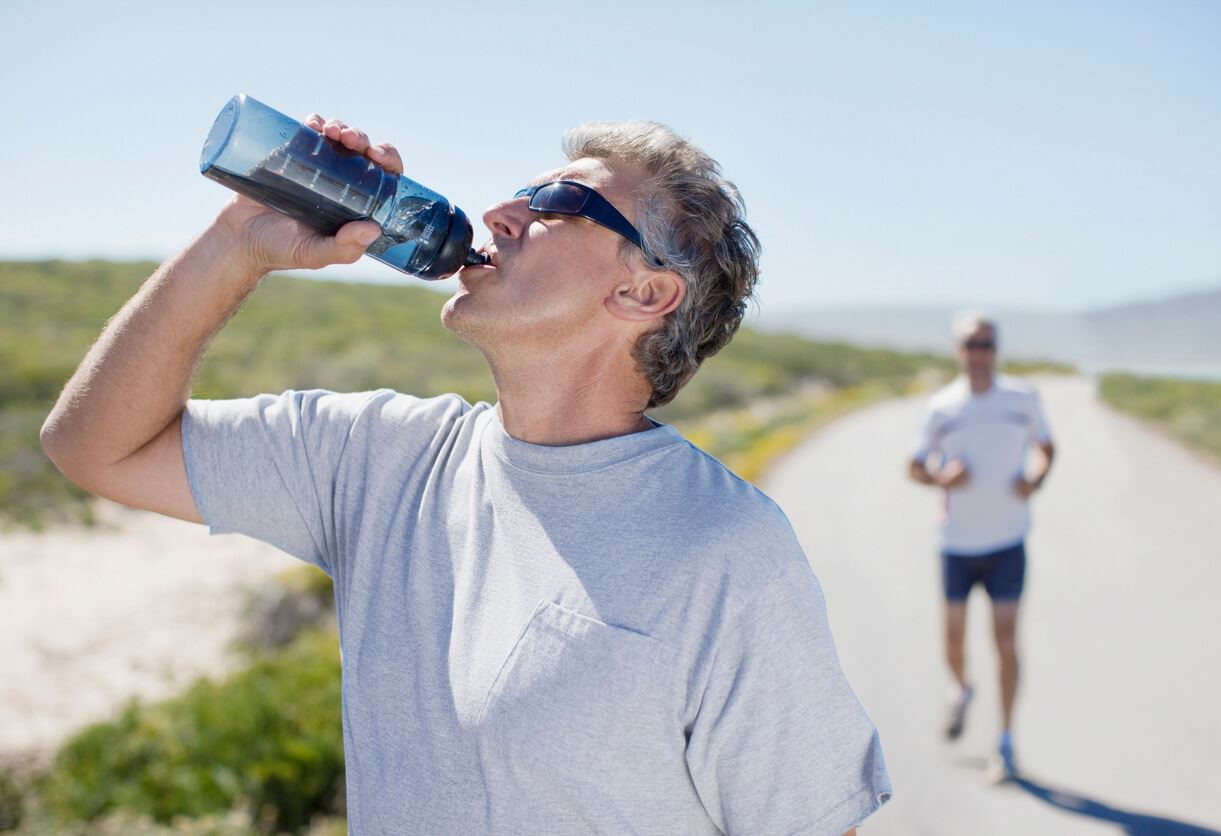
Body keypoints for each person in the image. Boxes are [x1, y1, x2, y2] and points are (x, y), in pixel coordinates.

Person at [42, 113, 891, 833]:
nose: (500, 212)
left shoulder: (728, 551)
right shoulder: (376, 458)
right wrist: (240, 242)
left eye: (560, 201)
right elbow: (95, 446)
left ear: (645, 296)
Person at [907, 313, 1055, 780]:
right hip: (957, 545)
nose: (979, 353)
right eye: (971, 344)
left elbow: (1047, 447)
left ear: (997, 349)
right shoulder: (943, 407)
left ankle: (1006, 743)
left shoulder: (1022, 397)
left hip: (1008, 539)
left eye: (986, 344)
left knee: (1006, 641)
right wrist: (938, 477)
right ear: (959, 350)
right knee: (953, 639)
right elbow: (914, 466)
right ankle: (961, 688)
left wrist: (1036, 479)